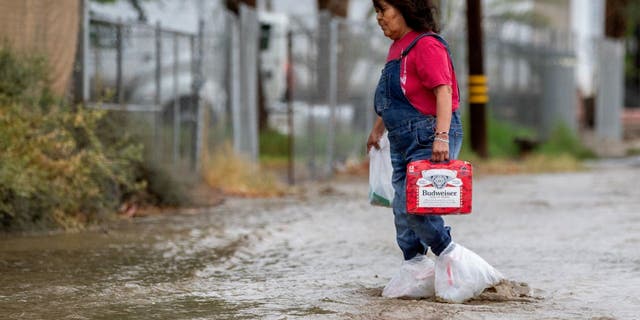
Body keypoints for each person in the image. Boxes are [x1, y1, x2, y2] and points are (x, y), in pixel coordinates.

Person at [366, 0, 503, 303]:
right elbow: (400, 94)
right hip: (402, 139)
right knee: (401, 209)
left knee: (415, 205)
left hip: (429, 134)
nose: (379, 18)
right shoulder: (397, 49)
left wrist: (441, 137)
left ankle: (453, 257)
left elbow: (444, 91)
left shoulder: (426, 45)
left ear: (404, 9)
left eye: (384, 10)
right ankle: (415, 266)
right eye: (376, 11)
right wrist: (378, 129)